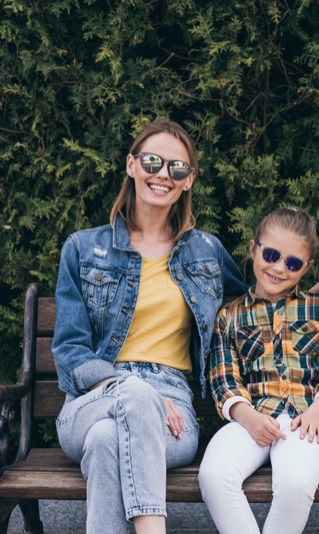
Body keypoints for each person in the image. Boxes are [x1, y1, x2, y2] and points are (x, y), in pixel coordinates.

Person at [52, 118, 250, 534]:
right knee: (132, 400)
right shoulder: (83, 248)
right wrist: (127, 388)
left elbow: (260, 299)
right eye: (153, 162)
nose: (163, 175)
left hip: (173, 410)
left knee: (108, 441)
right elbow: (70, 350)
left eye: (177, 168)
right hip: (91, 401)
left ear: (189, 179)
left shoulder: (207, 251)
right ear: (131, 164)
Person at [198, 207, 319, 534]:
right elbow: (224, 378)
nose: (279, 268)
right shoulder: (229, 316)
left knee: (297, 483)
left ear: (307, 267)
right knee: (213, 475)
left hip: (307, 419)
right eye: (271, 254)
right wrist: (249, 418)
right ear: (254, 249)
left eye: (293, 263)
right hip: (251, 415)